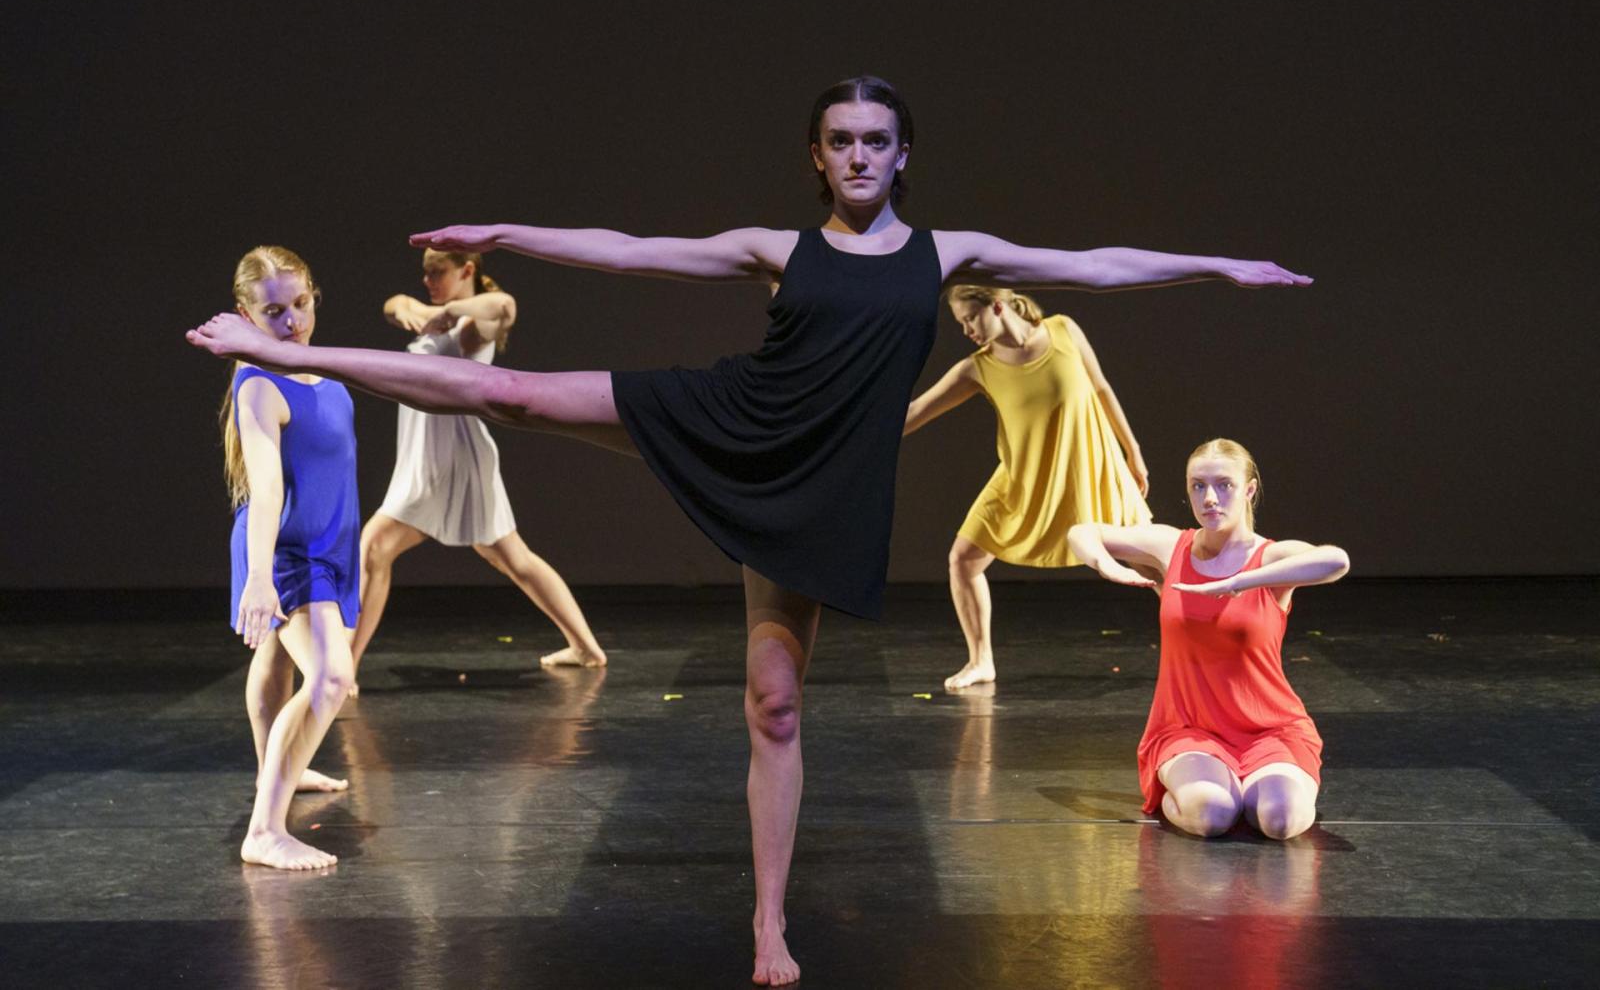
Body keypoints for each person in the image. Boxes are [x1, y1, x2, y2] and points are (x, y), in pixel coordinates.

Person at [188, 76, 1311, 984]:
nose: (860, 156)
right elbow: (634, 249)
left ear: (901, 154)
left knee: (773, 700)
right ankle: (287, 352)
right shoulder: (781, 247)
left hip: (821, 486)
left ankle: (768, 923)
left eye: (877, 140)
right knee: (515, 393)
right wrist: (506, 233)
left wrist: (1220, 264)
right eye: (840, 141)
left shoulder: (942, 254)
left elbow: (1091, 266)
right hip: (729, 417)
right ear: (817, 157)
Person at [350, 249, 607, 693]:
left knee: (374, 547)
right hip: (426, 454)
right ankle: (586, 648)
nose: (428, 280)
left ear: (467, 270)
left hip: (453, 457)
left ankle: (342, 669)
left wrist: (444, 309)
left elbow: (504, 306)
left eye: (438, 272)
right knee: (509, 556)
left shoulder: (473, 325)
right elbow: (393, 306)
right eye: (425, 273)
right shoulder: (431, 314)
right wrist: (412, 307)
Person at [1067, 438, 1349, 841]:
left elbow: (1337, 560)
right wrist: (1105, 564)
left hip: (1271, 729)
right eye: (1197, 486)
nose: (1209, 498)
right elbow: (1083, 531)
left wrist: (1239, 582)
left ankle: (1249, 787)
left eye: (1224, 485)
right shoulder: (1171, 546)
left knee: (1282, 821)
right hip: (1188, 728)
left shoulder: (1272, 559)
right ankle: (1191, 792)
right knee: (1213, 814)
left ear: (1249, 490)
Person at [904, 284, 1151, 689]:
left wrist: (1133, 451)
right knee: (963, 560)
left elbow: (1102, 388)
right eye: (961, 323)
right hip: (1022, 479)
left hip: (1087, 468)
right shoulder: (977, 368)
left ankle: (1201, 652)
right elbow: (915, 412)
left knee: (1150, 565)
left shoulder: (1064, 331)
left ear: (997, 306)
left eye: (970, 318)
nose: (966, 330)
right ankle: (981, 661)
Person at [219, 246, 359, 870]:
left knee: (276, 661)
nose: (293, 322)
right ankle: (265, 830)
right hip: (287, 551)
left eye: (300, 304)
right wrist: (257, 577)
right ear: (245, 315)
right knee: (331, 678)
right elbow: (268, 489)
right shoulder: (257, 388)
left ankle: (277, 769)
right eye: (273, 311)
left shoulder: (320, 373)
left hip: (329, 544)